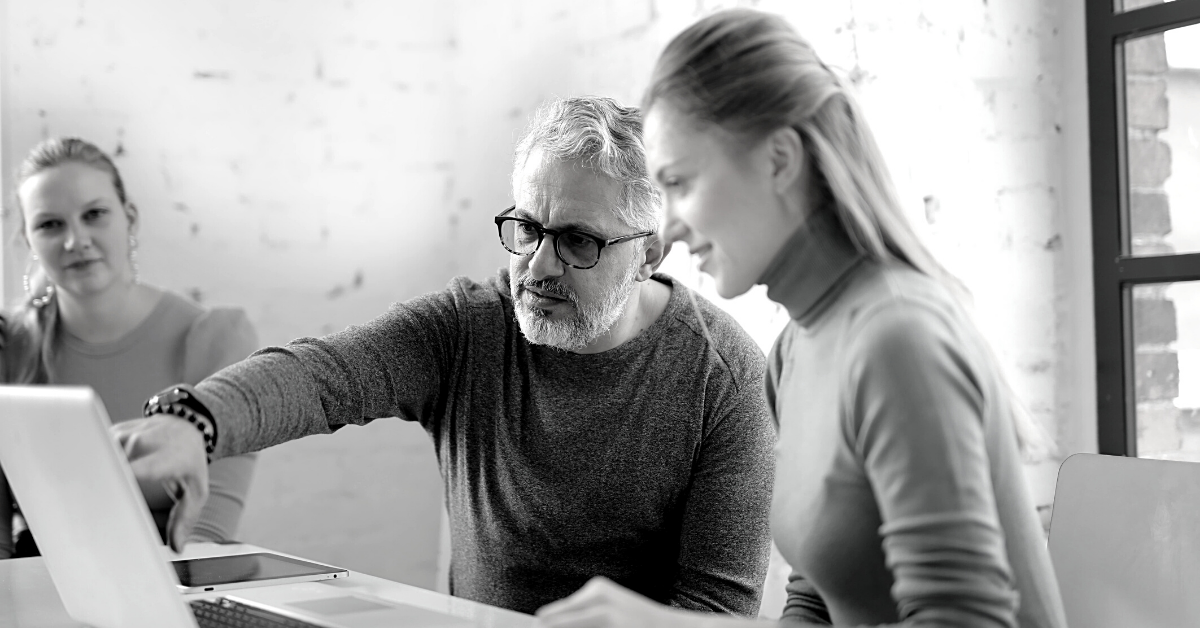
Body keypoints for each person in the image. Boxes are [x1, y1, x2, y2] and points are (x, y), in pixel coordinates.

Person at [113, 96, 776, 616]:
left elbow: (717, 612)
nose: (537, 266)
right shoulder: (469, 327)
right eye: (527, 229)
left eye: (577, 241)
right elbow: (324, 375)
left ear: (649, 253)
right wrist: (195, 421)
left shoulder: (726, 378)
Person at [535, 9, 1069, 628]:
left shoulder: (899, 339)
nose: (670, 229)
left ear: (780, 160)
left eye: (681, 182)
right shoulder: (794, 350)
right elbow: (816, 608)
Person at [0, 137, 259, 559]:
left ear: (130, 219)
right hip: (36, 578)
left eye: (94, 214)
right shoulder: (9, 346)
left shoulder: (212, 338)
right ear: (28, 241)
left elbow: (208, 532)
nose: (75, 240)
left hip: (172, 577)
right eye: (50, 225)